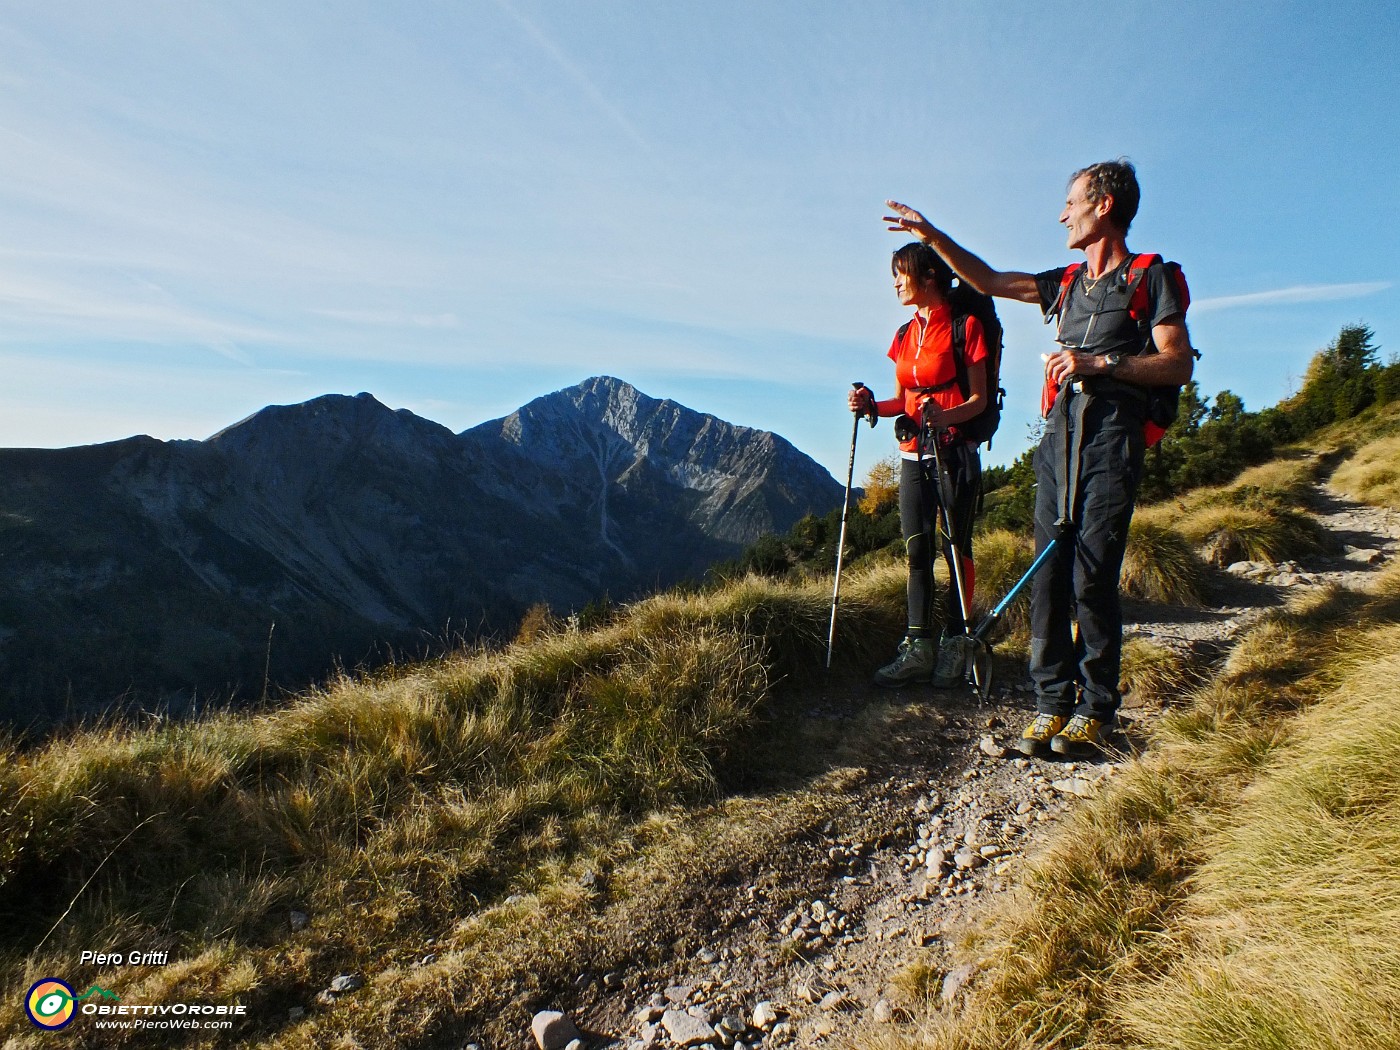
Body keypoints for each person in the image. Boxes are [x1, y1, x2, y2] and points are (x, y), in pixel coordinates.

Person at [884, 159, 1194, 755]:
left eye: (1071, 202)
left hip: (1110, 434)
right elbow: (992, 279)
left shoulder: (1153, 278)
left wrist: (1100, 363)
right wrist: (932, 237)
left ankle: (1097, 705)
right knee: (1049, 569)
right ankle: (1051, 701)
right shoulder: (1068, 282)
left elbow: (1178, 363)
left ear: (1104, 205)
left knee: (1093, 569)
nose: (1061, 214)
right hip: (1059, 434)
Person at [849, 242, 988, 689]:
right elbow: (902, 402)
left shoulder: (967, 327)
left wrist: (944, 417)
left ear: (928, 276)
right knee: (916, 551)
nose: (894, 282)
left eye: (900, 274)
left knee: (955, 549)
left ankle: (956, 642)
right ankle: (918, 646)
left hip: (954, 453)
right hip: (913, 455)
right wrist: (871, 404)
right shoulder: (905, 334)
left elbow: (979, 401)